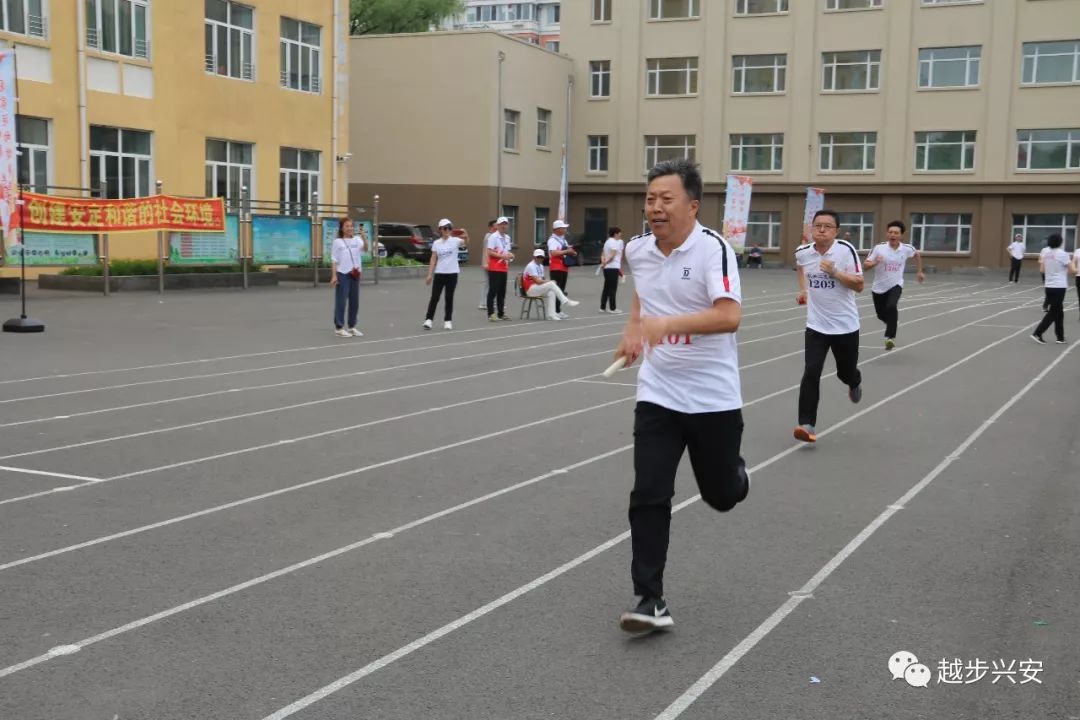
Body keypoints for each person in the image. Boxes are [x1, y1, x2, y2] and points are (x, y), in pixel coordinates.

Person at [614, 159, 749, 636]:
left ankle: (735, 473)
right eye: (650, 199)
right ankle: (650, 598)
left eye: (666, 199)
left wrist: (665, 325)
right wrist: (635, 328)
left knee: (722, 495)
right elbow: (642, 295)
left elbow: (729, 316)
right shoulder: (638, 250)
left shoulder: (713, 250)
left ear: (692, 206)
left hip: (712, 397)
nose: (655, 208)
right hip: (658, 392)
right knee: (648, 492)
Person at [793, 209, 865, 443]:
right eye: (817, 226)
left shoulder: (845, 250)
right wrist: (804, 289)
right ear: (811, 229)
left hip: (845, 326)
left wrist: (834, 271)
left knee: (845, 372)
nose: (821, 230)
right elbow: (801, 268)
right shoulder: (803, 252)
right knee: (811, 372)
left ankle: (854, 381)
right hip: (816, 326)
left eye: (827, 226)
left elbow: (859, 285)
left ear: (836, 231)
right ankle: (806, 424)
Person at [862, 220, 924, 350]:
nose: (892, 235)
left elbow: (917, 255)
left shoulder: (906, 249)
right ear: (887, 234)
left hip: (895, 285)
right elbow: (866, 266)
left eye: (896, 233)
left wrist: (919, 271)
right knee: (880, 315)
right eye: (890, 232)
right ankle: (893, 323)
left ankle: (890, 338)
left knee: (891, 306)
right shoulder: (879, 248)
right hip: (878, 288)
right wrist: (875, 263)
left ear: (901, 235)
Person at [1031, 234, 1073, 345]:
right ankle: (1037, 332)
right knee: (1053, 312)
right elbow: (1072, 270)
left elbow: (1042, 269)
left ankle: (1060, 337)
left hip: (1049, 285)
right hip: (1059, 286)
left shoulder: (1046, 254)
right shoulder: (1063, 254)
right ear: (1060, 242)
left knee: (1059, 312)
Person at [424, 219, 465, 330]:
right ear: (440, 230)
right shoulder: (437, 243)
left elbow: (465, 241)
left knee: (449, 297)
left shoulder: (455, 240)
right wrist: (429, 275)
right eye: (444, 228)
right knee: (435, 297)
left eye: (449, 228)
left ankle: (448, 320)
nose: (447, 230)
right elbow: (433, 259)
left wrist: (466, 235)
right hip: (440, 273)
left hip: (452, 273)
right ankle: (428, 319)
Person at [330, 217, 365, 338]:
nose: (350, 228)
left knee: (354, 301)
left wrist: (364, 237)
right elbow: (334, 260)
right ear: (342, 228)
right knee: (341, 301)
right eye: (347, 226)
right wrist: (334, 276)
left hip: (355, 274)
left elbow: (365, 249)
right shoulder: (337, 242)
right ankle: (339, 327)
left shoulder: (357, 239)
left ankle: (352, 326)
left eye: (351, 226)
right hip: (343, 274)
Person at [523, 248, 580, 320]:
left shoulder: (540, 266)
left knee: (551, 292)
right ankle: (565, 301)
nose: (539, 259)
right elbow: (537, 281)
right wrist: (550, 282)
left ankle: (551, 315)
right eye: (538, 257)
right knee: (551, 284)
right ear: (534, 257)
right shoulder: (531, 266)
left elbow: (542, 279)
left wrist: (548, 282)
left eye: (541, 257)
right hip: (530, 289)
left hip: (537, 288)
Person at [486, 216, 514, 321]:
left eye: (505, 224)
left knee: (502, 292)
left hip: (504, 268)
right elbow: (489, 252)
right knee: (493, 291)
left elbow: (507, 252)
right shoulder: (493, 237)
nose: (503, 226)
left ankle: (501, 313)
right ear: (497, 226)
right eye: (501, 224)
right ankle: (491, 314)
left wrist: (511, 256)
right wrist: (503, 256)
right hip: (494, 268)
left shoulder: (507, 238)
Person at [547, 219, 577, 318]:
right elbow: (553, 253)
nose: (565, 229)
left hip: (564, 267)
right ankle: (555, 310)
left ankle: (558, 310)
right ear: (557, 229)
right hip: (556, 268)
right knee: (557, 290)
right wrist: (566, 252)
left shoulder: (563, 239)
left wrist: (572, 252)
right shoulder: (552, 240)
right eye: (563, 228)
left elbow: (568, 249)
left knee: (562, 289)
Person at [599, 227, 624, 314]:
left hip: (607, 268)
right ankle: (612, 308)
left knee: (606, 288)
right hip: (613, 267)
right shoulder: (614, 242)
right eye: (619, 233)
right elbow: (612, 256)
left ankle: (602, 307)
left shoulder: (607, 241)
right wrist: (606, 262)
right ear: (616, 234)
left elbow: (603, 253)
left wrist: (603, 262)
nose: (621, 234)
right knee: (612, 288)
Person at [478, 219, 496, 310]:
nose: (496, 227)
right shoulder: (489, 236)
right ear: (490, 227)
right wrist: (486, 263)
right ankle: (483, 303)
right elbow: (488, 252)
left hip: (489, 263)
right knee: (489, 283)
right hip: (488, 263)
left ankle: (487, 302)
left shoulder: (492, 236)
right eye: (494, 226)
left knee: (490, 283)